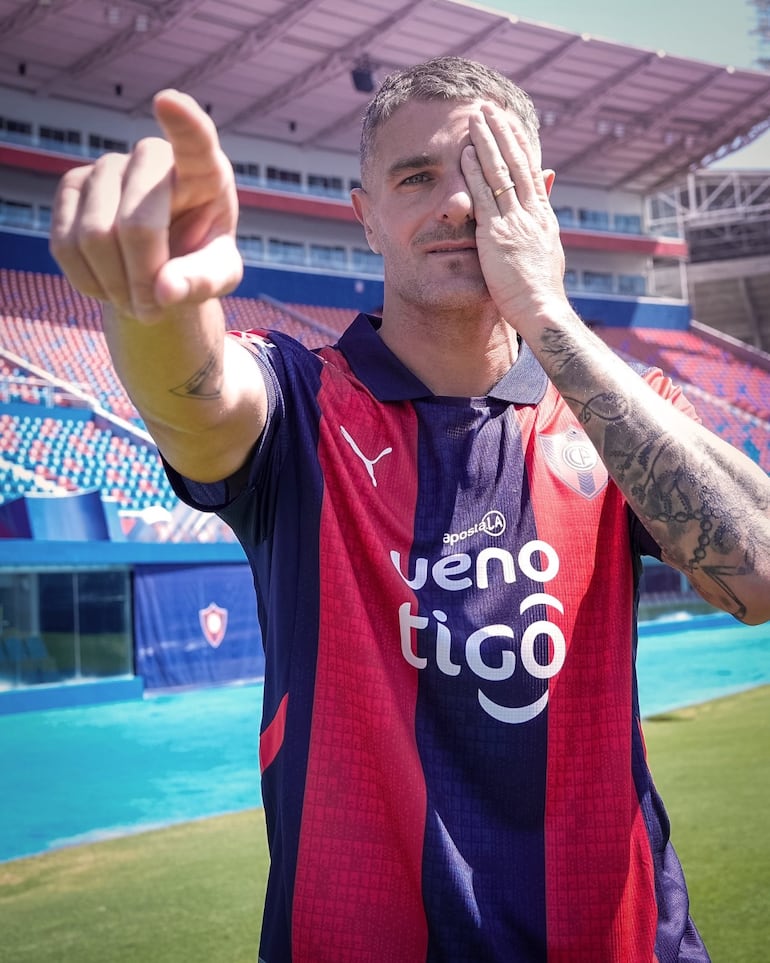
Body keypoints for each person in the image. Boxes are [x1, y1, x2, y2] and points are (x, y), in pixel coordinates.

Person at [50, 55, 770, 963]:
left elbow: (760, 574)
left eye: (487, 173)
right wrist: (155, 302)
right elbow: (196, 400)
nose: (460, 203)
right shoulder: (300, 403)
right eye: (418, 177)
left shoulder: (611, 413)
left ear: (540, 201)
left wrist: (547, 312)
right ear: (366, 217)